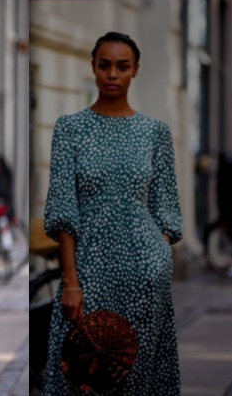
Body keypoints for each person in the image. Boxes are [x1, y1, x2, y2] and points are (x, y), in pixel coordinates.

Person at [43, 31, 183, 394]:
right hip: (88, 271)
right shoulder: (70, 128)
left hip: (143, 276)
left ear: (135, 70)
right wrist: (71, 280)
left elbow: (166, 209)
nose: (112, 74)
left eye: (122, 66)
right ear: (92, 67)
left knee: (136, 374)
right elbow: (62, 208)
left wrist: (157, 261)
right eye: (104, 65)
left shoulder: (155, 133)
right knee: (83, 371)